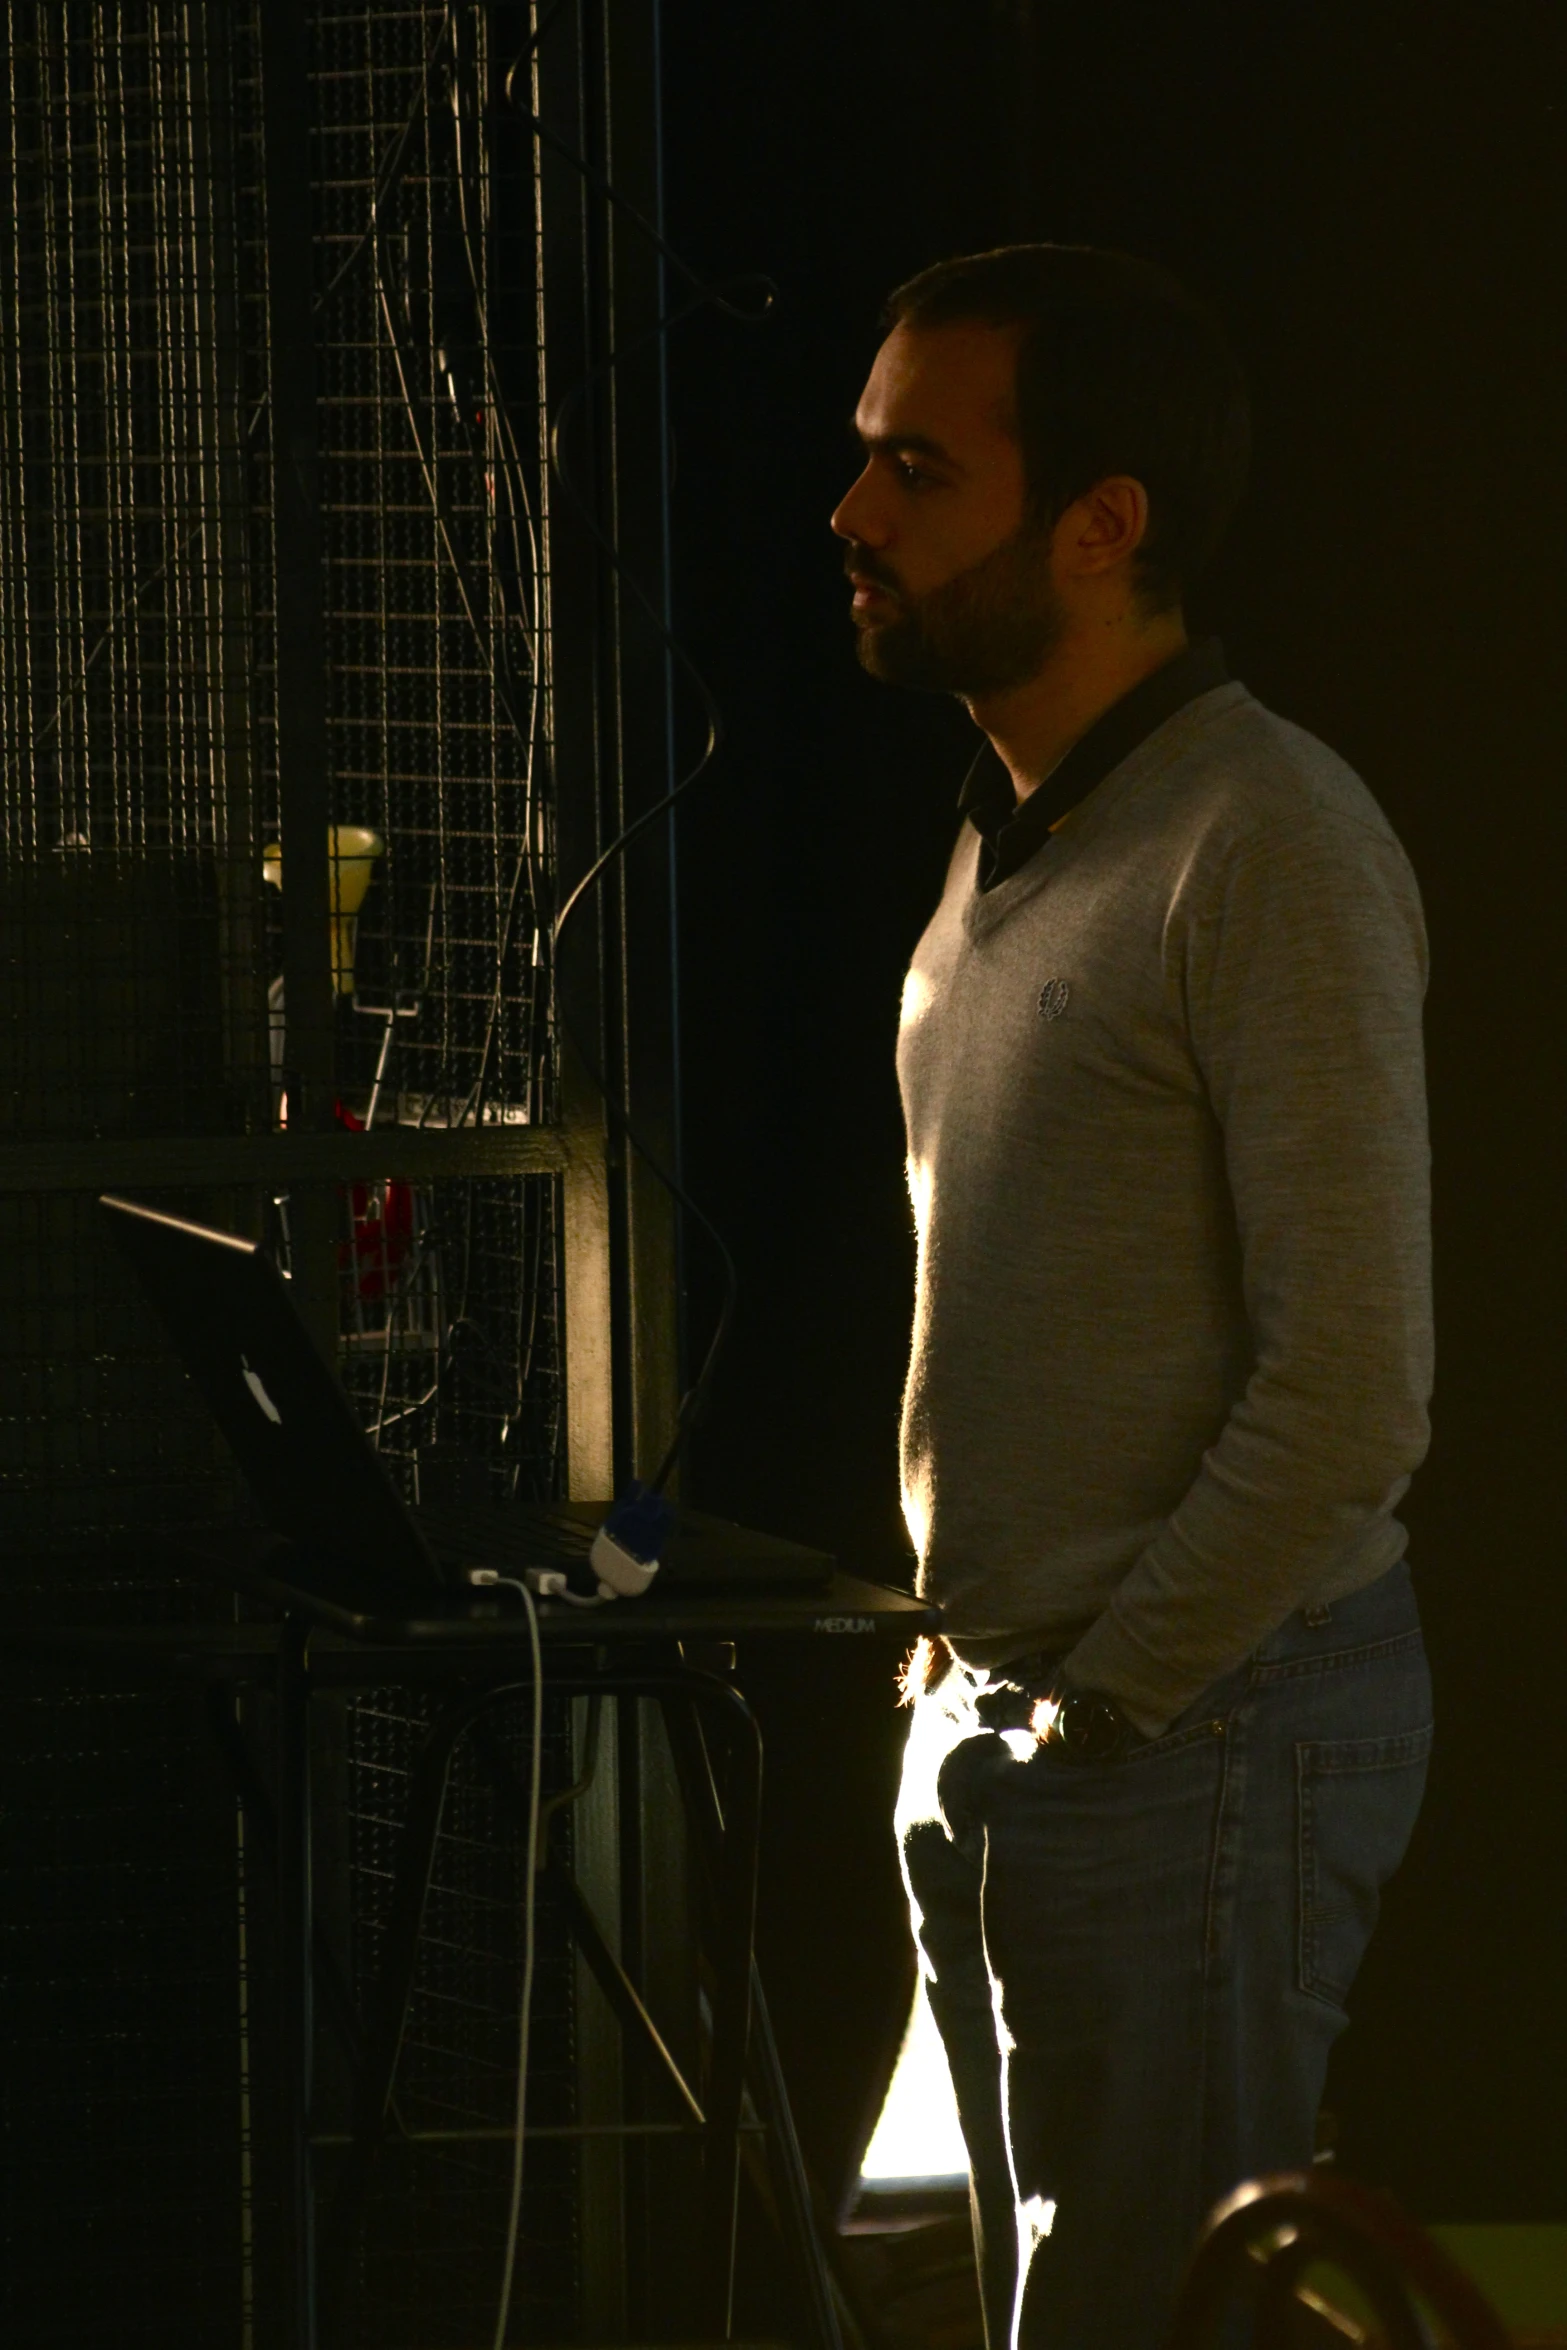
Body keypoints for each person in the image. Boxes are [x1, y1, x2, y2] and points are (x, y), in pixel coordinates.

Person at [830, 244, 1434, 2350]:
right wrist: (971, 1687)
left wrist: (1107, 1706)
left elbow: (1353, 1386)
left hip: (1191, 1740)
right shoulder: (1014, 828)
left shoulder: (1269, 834)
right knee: (983, 2304)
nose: (854, 516)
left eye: (918, 466)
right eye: (861, 457)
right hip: (1019, 1728)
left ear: (1105, 522)